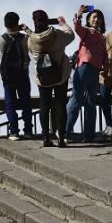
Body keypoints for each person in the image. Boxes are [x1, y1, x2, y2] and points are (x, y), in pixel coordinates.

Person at [24, 10, 75, 147]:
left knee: (44, 106)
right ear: (47, 20)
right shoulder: (57, 34)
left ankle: (46, 138)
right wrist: (63, 24)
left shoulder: (31, 40)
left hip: (43, 77)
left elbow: (35, 39)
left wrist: (27, 30)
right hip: (60, 75)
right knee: (60, 105)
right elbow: (71, 36)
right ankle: (61, 138)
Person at [66, 6, 108, 142]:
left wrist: (106, 68)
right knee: (76, 99)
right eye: (94, 17)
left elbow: (104, 55)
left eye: (99, 17)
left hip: (95, 71)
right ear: (89, 20)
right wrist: (78, 15)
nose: (97, 19)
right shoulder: (86, 31)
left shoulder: (101, 36)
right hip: (83, 68)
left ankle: (89, 134)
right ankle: (65, 131)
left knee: (90, 102)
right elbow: (77, 27)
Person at [0, 12, 33, 141]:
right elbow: (36, 41)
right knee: (26, 102)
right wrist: (26, 30)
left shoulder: (0, 39)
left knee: (10, 103)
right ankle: (28, 130)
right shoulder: (25, 38)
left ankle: (14, 131)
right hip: (23, 74)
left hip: (7, 76)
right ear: (17, 23)